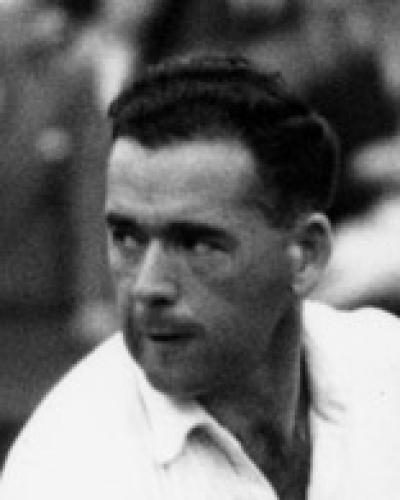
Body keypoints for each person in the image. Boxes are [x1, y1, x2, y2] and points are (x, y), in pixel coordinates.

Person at [2, 53, 400, 500]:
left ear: (305, 255)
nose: (148, 286)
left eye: (198, 244)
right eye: (127, 238)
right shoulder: (68, 469)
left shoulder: (383, 364)